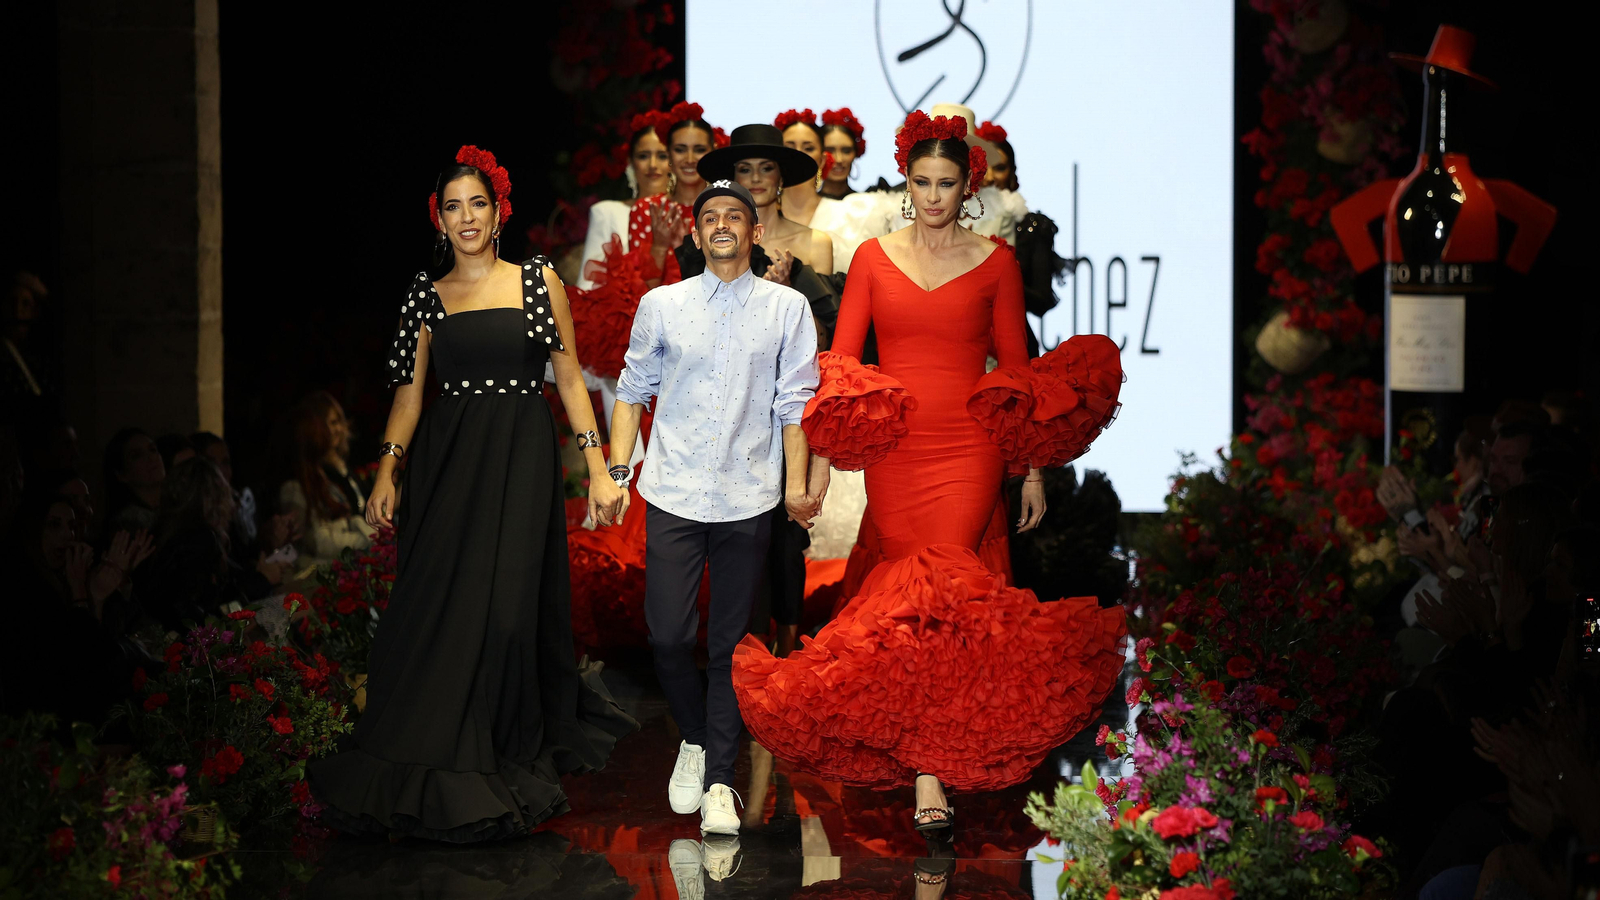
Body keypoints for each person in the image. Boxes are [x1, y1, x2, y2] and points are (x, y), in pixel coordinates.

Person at [731, 111, 1127, 832]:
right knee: (907, 597)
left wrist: (1031, 469)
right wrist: (818, 472)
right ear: (907, 183)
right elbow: (842, 371)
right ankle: (924, 756)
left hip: (971, 446)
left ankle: (929, 772)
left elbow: (1015, 374)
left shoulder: (997, 262)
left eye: (947, 182)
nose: (934, 194)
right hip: (900, 450)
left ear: (967, 185)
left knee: (946, 587)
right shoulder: (876, 260)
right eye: (922, 181)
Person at [309, 145, 636, 843]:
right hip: (447, 464)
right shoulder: (424, 295)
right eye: (452, 206)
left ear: (498, 213)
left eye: (477, 204)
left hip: (521, 459)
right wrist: (388, 469)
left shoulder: (537, 281)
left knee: (512, 614)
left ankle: (506, 748)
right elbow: (408, 395)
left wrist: (601, 467)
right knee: (440, 605)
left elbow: (571, 379)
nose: (465, 217)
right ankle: (440, 750)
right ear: (440, 218)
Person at [601, 179, 820, 837]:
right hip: (672, 490)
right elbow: (631, 391)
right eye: (710, 217)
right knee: (666, 635)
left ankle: (720, 779)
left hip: (748, 495)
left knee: (731, 644)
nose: (722, 224)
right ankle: (694, 738)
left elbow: (795, 406)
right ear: (695, 235)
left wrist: (798, 486)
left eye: (735, 216)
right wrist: (614, 471)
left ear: (755, 232)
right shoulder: (661, 305)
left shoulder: (786, 308)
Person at [137, 457, 281, 631]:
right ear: (217, 496)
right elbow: (197, 609)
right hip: (195, 644)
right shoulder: (199, 539)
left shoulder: (167, 531)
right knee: (285, 611)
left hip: (174, 638)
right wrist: (263, 580)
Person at [699, 123, 833, 274]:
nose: (756, 178)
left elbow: (823, 298)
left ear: (780, 179)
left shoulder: (815, 243)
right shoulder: (710, 241)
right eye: (745, 170)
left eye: (766, 168)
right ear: (733, 180)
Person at [271, 391, 374, 569]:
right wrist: (369, 538)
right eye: (333, 422)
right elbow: (316, 542)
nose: (340, 429)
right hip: (317, 576)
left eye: (339, 422)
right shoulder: (297, 485)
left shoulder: (335, 473)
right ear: (314, 428)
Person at [102, 427, 164, 535]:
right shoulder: (128, 524)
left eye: (153, 450)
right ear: (121, 474)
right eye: (137, 455)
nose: (151, 457)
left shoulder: (175, 507)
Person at [819, 108, 867, 199]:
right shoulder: (806, 207)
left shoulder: (868, 205)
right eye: (830, 151)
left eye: (846, 151)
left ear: (855, 153)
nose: (838, 159)